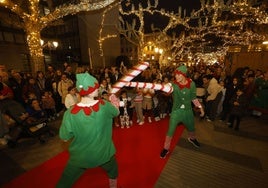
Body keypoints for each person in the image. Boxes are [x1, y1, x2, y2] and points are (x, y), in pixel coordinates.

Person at [57, 73, 120, 188]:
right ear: (91, 91)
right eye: (96, 87)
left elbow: (64, 137)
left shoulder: (70, 113)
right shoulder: (104, 106)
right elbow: (116, 112)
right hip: (104, 154)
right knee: (113, 171)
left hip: (80, 157)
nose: (98, 88)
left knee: (64, 182)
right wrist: (114, 99)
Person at [160, 65, 204, 159]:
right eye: (176, 75)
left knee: (191, 127)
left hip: (188, 111)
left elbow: (193, 98)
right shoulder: (174, 85)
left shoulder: (192, 84)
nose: (176, 77)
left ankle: (192, 139)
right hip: (176, 111)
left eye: (179, 75)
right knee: (170, 130)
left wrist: (200, 107)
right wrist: (165, 87)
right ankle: (166, 148)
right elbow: (168, 89)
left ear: (184, 75)